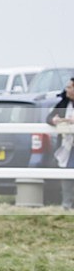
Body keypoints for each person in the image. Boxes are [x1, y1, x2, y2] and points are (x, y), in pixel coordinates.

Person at [46, 77, 74, 209]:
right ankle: (67, 204)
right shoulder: (63, 103)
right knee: (67, 174)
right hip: (67, 146)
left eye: (70, 87)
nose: (67, 89)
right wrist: (55, 120)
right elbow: (49, 117)